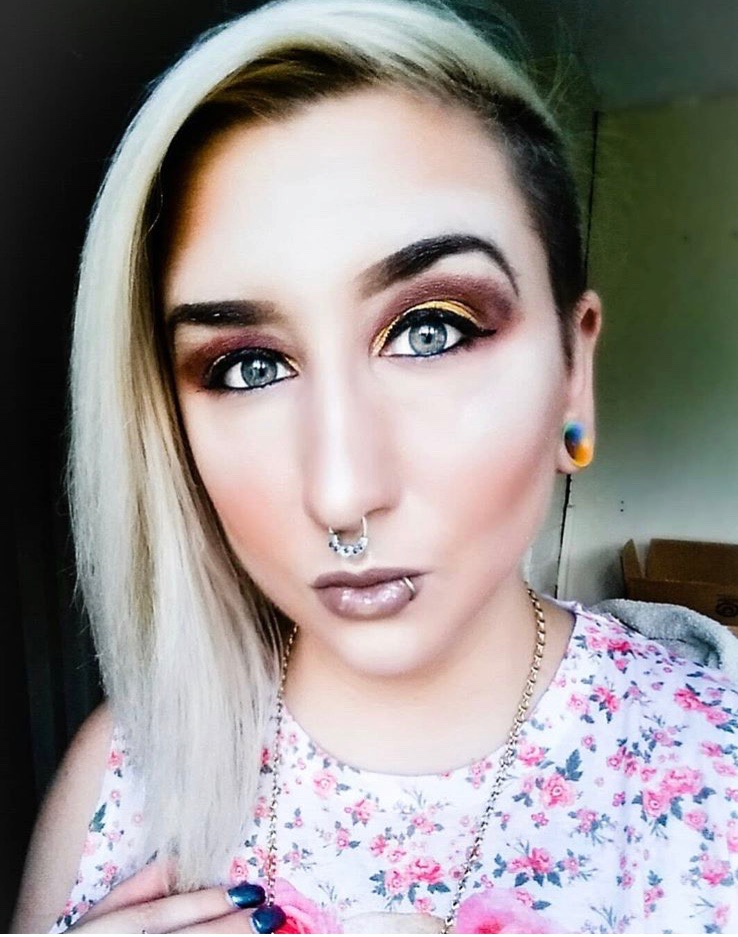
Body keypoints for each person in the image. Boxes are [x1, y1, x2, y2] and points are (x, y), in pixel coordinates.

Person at [12, 0, 738, 932]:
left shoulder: (711, 772)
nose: (342, 492)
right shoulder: (123, 777)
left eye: (432, 331)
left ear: (574, 371)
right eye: (248, 366)